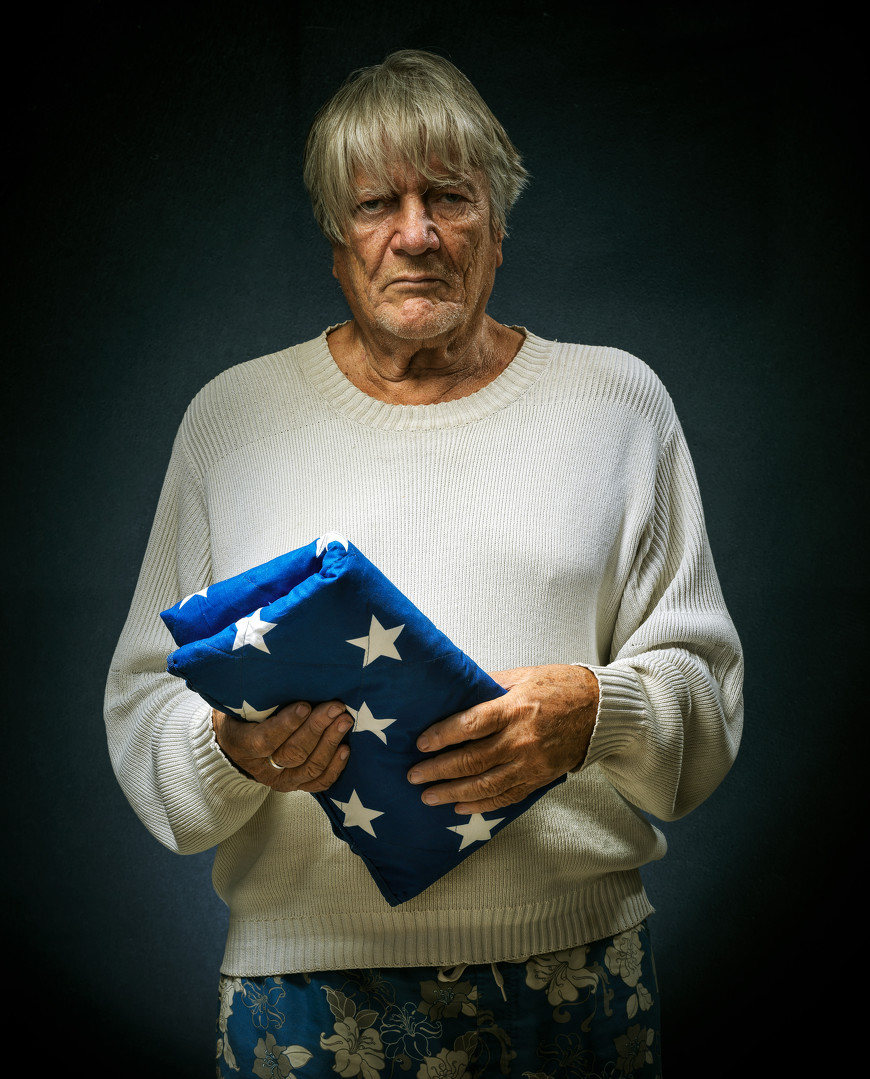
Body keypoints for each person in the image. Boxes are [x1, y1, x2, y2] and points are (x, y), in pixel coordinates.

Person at [105, 49, 743, 1077]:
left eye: (449, 196)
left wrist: (596, 709)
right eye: (376, 205)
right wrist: (234, 750)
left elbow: (707, 701)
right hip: (301, 996)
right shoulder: (230, 419)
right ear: (336, 243)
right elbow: (145, 714)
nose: (416, 233)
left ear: (499, 226)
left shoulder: (621, 405)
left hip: (575, 980)